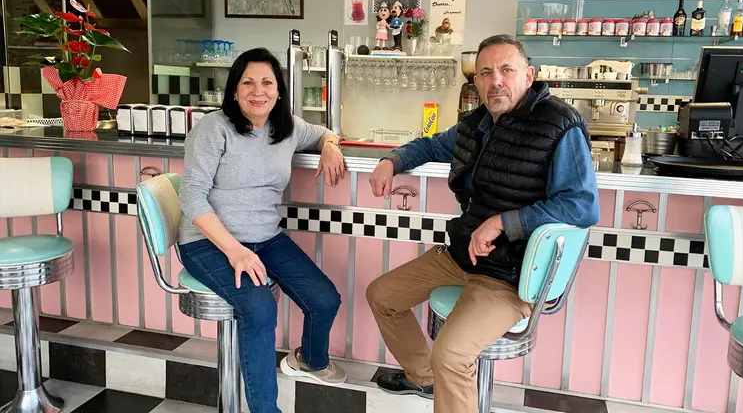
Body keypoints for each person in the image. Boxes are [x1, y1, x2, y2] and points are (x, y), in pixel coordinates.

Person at [366, 34, 600, 412]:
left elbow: (582, 205)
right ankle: (429, 379)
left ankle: (446, 376)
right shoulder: (476, 124)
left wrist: (504, 223)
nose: (496, 81)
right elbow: (428, 145)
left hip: (513, 271)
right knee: (382, 296)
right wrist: (391, 161)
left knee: (452, 354)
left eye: (507, 70)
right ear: (475, 81)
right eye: (486, 72)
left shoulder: (559, 124)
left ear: (529, 75)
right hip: (464, 256)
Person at [178, 48, 347, 413]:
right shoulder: (213, 127)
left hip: (266, 238)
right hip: (209, 243)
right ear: (234, 90)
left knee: (324, 298)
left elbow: (323, 132)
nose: (259, 91)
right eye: (248, 82)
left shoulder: (286, 127)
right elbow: (191, 197)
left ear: (279, 90)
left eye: (267, 82)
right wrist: (234, 250)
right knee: (259, 310)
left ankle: (311, 361)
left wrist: (331, 146)